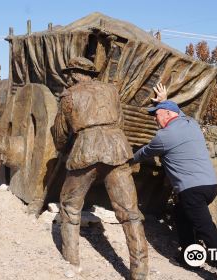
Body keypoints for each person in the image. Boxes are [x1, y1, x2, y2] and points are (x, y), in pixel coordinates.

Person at [52, 57, 148, 280]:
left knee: (69, 205)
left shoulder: (69, 95)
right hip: (117, 149)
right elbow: (120, 122)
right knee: (130, 213)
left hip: (85, 150)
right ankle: (140, 272)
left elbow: (60, 132)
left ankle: (72, 260)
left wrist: (64, 148)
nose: (68, 78)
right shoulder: (112, 91)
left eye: (70, 73)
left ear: (75, 74)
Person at [132, 83, 217, 279]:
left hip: (192, 190)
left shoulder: (164, 136)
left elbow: (144, 153)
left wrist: (128, 158)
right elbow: (178, 112)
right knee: (181, 216)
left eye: (156, 114)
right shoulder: (191, 124)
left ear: (167, 115)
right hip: (209, 186)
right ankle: (190, 257)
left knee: (205, 228)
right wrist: (164, 101)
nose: (155, 118)